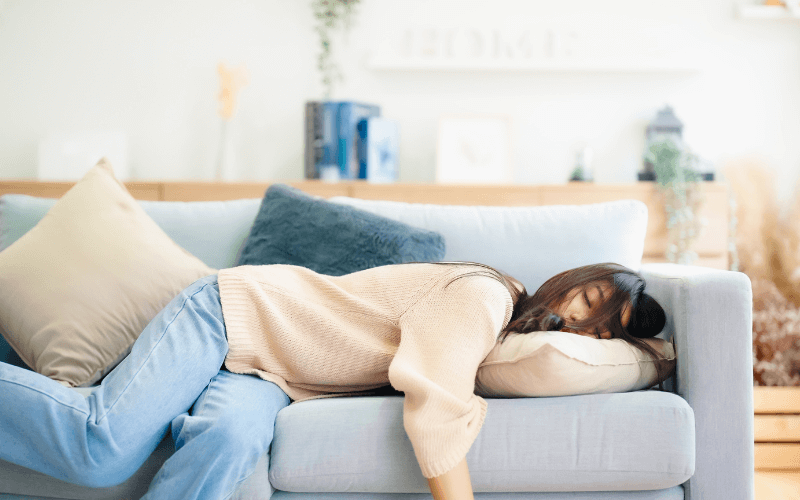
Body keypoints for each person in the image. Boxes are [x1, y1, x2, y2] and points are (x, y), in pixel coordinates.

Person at [0, 261, 666, 500]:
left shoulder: (502, 335)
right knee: (101, 446)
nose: (583, 321)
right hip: (232, 316)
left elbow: (656, 353)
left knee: (228, 446)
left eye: (605, 328)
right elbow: (436, 401)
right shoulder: (486, 296)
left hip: (270, 373)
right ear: (574, 279)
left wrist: (658, 355)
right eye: (592, 298)